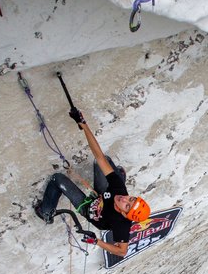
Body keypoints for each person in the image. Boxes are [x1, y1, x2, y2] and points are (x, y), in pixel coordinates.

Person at [33, 106, 150, 257]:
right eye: (131, 198)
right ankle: (117, 175)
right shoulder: (119, 190)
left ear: (123, 213)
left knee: (58, 179)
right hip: (103, 196)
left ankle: (45, 213)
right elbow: (99, 156)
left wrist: (97, 242)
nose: (124, 199)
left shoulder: (121, 225)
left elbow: (122, 251)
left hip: (89, 208)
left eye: (127, 205)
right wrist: (83, 124)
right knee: (102, 162)